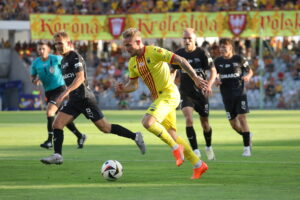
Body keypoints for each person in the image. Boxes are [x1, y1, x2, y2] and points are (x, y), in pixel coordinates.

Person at [40, 31, 145, 165]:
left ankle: (135, 136)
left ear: (68, 43)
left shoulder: (74, 57)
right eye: (56, 44)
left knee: (105, 128)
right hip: (74, 100)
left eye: (60, 43)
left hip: (85, 99)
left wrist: (64, 93)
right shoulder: (64, 60)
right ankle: (57, 155)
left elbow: (80, 78)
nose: (58, 46)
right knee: (57, 124)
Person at [115, 28, 208, 179]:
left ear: (138, 42)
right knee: (172, 134)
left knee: (147, 122)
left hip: (169, 94)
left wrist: (195, 77)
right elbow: (134, 85)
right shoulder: (132, 62)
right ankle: (199, 165)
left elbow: (181, 60)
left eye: (129, 45)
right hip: (159, 99)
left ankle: (175, 148)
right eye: (125, 45)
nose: (126, 49)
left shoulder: (154, 51)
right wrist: (123, 89)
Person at [171, 28, 217, 160]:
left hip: (201, 93)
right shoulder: (178, 54)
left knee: (205, 124)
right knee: (189, 119)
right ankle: (196, 151)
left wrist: (209, 84)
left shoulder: (202, 53)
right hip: (186, 93)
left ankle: (208, 146)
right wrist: (170, 84)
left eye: (189, 38)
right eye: (185, 38)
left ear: (194, 39)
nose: (187, 41)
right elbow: (172, 71)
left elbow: (213, 70)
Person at [30, 41, 87, 149]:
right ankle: (80, 136)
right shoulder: (35, 63)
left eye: (43, 48)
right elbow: (32, 77)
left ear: (48, 50)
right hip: (49, 91)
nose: (41, 51)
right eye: (39, 49)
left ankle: (49, 141)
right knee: (61, 118)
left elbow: (69, 64)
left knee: (50, 112)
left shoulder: (56, 59)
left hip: (59, 89)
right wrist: (35, 80)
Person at [214, 38, 253, 157]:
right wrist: (215, 79)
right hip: (226, 96)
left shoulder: (239, 59)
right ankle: (247, 136)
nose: (222, 49)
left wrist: (247, 77)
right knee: (234, 125)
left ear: (230, 47)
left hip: (240, 94)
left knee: (242, 118)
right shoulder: (218, 61)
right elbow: (214, 73)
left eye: (224, 46)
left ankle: (247, 148)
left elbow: (250, 71)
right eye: (221, 47)